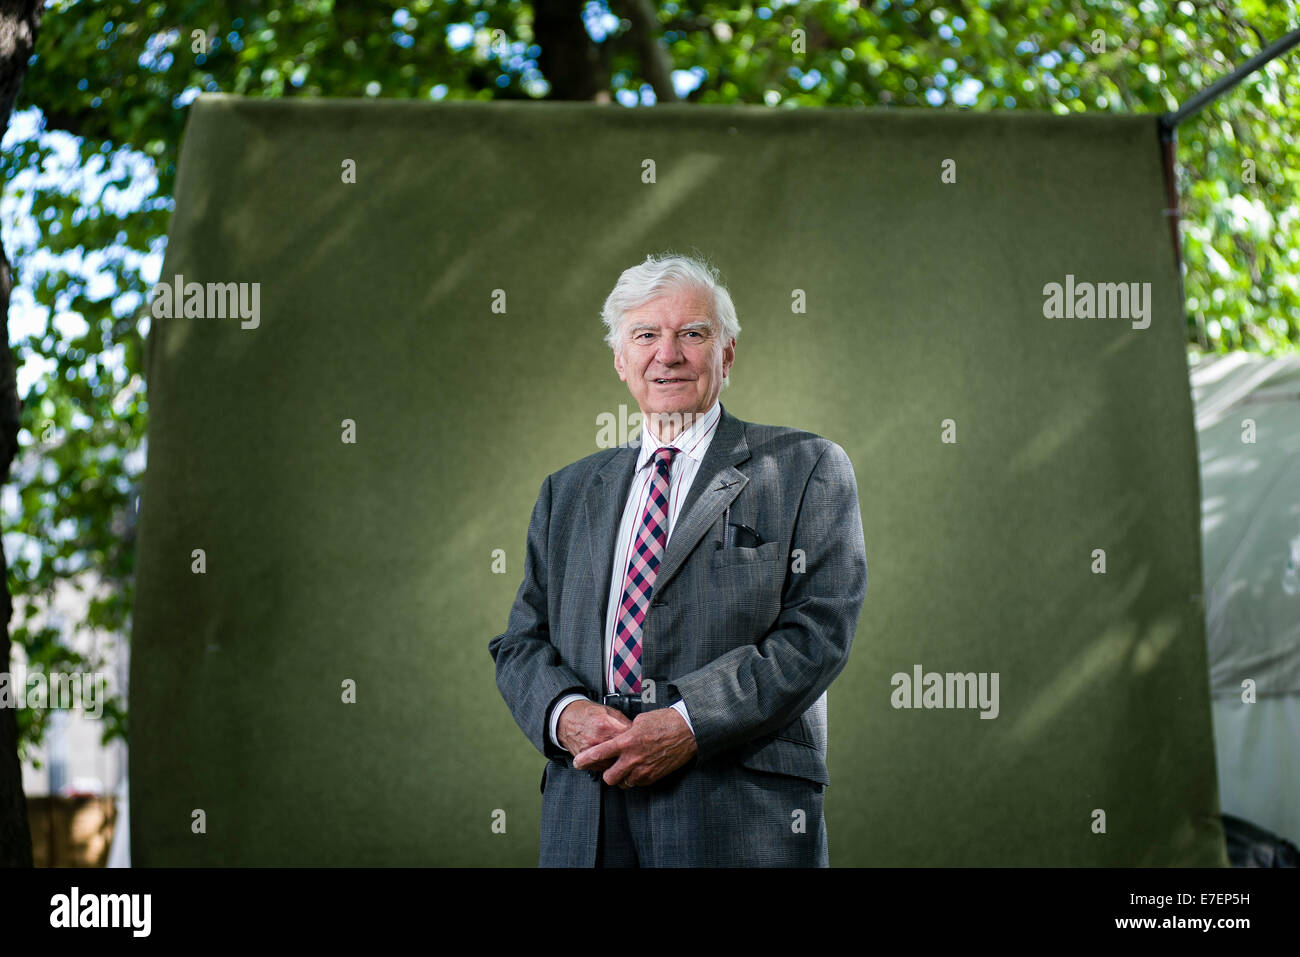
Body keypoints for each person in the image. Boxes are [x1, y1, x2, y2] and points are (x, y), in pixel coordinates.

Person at [489, 253, 867, 866]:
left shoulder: (806, 467)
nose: (668, 354)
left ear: (727, 354)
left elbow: (816, 635)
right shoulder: (567, 492)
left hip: (739, 815)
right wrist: (566, 716)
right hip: (589, 810)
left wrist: (689, 723)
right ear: (620, 360)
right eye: (646, 335)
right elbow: (520, 643)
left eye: (692, 333)